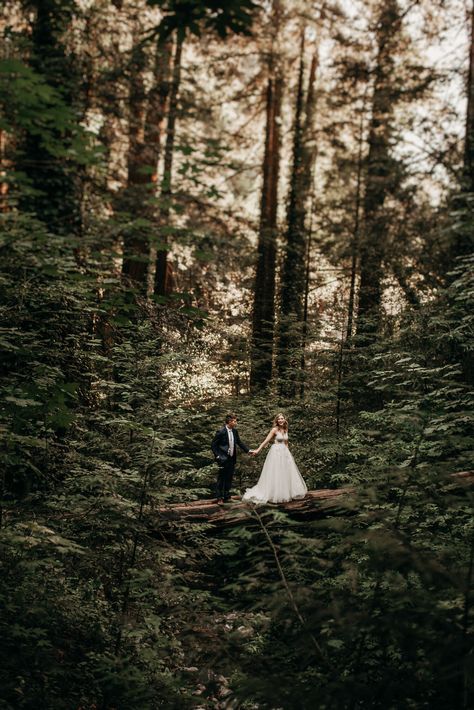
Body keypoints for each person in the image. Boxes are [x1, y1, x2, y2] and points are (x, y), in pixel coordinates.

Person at [242, 413, 307, 504]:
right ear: (277, 421)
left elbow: (286, 442)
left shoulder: (285, 429)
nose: (281, 420)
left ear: (284, 420)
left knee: (286, 473)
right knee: (276, 472)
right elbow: (266, 441)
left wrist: (288, 454)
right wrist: (258, 450)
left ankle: (287, 492)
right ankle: (274, 493)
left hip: (284, 453)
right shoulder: (274, 430)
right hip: (276, 452)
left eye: (282, 418)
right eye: (279, 419)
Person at [211, 413, 253, 503]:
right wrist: (217, 456)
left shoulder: (235, 431)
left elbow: (239, 442)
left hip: (232, 458)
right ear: (229, 422)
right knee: (221, 478)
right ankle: (219, 497)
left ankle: (226, 496)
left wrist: (248, 451)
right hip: (222, 458)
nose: (236, 422)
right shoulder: (221, 431)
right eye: (234, 421)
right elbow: (213, 445)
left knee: (229, 477)